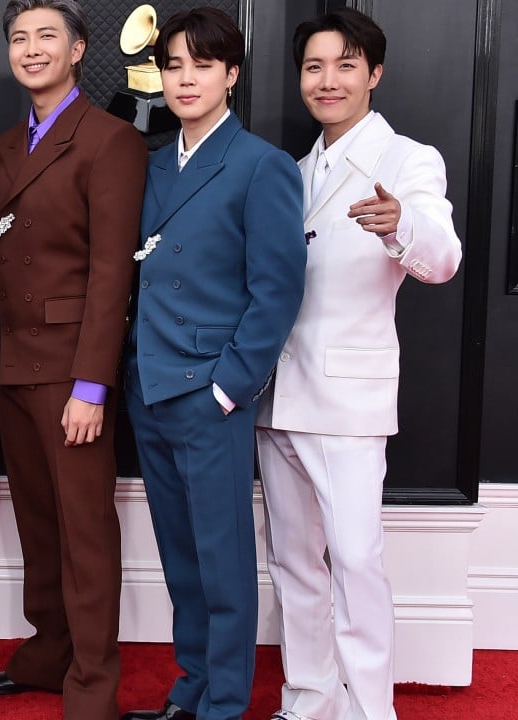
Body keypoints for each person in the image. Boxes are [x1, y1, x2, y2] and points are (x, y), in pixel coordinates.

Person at [254, 10, 462, 720]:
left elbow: (443, 258)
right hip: (277, 392)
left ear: (374, 73)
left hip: (347, 400)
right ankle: (307, 701)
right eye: (314, 67)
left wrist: (402, 224)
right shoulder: (291, 171)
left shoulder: (407, 159)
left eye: (345, 65)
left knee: (355, 561)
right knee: (291, 563)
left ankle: (371, 710)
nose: (328, 80)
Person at [120, 7, 306, 720]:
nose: (186, 79)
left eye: (203, 65)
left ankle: (224, 703)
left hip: (209, 391)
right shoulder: (151, 165)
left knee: (222, 559)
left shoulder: (262, 165)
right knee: (181, 555)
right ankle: (192, 687)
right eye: (174, 65)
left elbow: (277, 290)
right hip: (150, 386)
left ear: (231, 74)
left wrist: (230, 388)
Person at [0, 1, 145, 717]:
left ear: (77, 50)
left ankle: (93, 685)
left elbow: (112, 273)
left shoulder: (111, 140)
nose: (31, 49)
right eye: (19, 38)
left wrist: (92, 384)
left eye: (47, 36)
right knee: (38, 523)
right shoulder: (8, 143)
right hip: (13, 367)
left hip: (73, 371)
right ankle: (50, 653)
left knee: (84, 532)